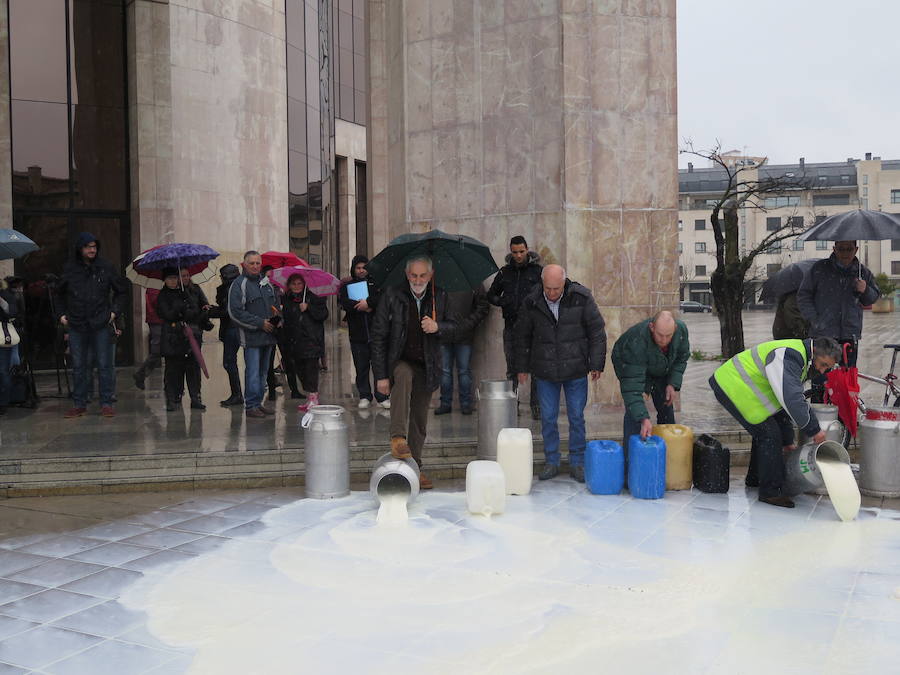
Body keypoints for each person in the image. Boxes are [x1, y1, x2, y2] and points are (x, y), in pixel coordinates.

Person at [710, 337, 840, 508]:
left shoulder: (801, 358)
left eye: (827, 368)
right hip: (732, 385)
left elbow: (782, 405)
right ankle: (771, 492)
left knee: (768, 432)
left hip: (741, 386)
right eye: (822, 364)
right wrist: (814, 430)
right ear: (814, 351)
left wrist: (787, 441)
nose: (822, 371)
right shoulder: (790, 355)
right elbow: (792, 399)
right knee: (769, 435)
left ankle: (756, 478)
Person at [514, 265, 606, 482]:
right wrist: (521, 367)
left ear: (564, 283)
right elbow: (522, 336)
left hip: (575, 368)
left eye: (556, 288)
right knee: (547, 418)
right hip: (545, 370)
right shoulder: (532, 301)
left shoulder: (581, 297)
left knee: (576, 416)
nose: (552, 293)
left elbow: (597, 331)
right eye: (548, 288)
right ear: (542, 283)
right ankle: (552, 461)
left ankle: (577, 462)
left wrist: (596, 363)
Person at [371, 256, 457, 490]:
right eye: (413, 275)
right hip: (399, 360)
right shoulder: (392, 295)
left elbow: (454, 328)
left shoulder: (439, 296)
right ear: (407, 274)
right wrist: (380, 375)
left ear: (430, 276)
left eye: (422, 276)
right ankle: (397, 437)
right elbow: (378, 336)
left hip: (427, 363)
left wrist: (438, 327)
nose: (417, 280)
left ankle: (414, 468)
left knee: (419, 419)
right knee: (404, 375)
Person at [55, 232, 128, 418]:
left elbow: (121, 291)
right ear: (80, 248)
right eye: (88, 246)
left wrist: (114, 313)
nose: (92, 250)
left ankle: (106, 402)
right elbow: (58, 293)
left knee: (104, 365)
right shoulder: (70, 269)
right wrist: (62, 315)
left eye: (94, 246)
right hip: (77, 323)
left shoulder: (106, 267)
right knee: (79, 365)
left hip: (101, 322)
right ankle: (79, 402)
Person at [611, 310, 690, 446]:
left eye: (668, 336)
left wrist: (672, 384)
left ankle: (667, 452)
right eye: (660, 335)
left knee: (666, 407)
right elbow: (632, 388)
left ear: (675, 329)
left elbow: (681, 359)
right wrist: (643, 418)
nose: (664, 341)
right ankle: (631, 457)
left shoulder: (681, 331)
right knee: (635, 412)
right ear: (652, 327)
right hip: (629, 364)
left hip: (660, 367)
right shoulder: (636, 341)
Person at [797, 240, 879, 367]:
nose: (845, 253)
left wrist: (865, 290)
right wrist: (814, 319)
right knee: (821, 380)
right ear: (834, 249)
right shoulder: (819, 269)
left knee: (846, 379)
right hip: (823, 336)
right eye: (841, 249)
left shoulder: (862, 272)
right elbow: (804, 295)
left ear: (856, 250)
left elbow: (872, 298)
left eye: (849, 249)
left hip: (850, 335)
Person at [487, 235, 543, 419]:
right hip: (511, 326)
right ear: (511, 252)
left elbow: (548, 295)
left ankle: (537, 405)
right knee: (512, 368)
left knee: (536, 367)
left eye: (521, 251)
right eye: (515, 252)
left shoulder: (537, 272)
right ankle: (513, 403)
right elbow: (491, 295)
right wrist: (503, 301)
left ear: (527, 250)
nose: (518, 255)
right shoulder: (505, 272)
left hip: (534, 328)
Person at [228, 251, 278, 419]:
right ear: (244, 264)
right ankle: (250, 405)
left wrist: (278, 319)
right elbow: (235, 312)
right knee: (253, 373)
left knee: (263, 373)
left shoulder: (267, 284)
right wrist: (259, 323)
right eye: (252, 263)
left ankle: (258, 403)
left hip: (268, 336)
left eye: (258, 263)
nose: (255, 266)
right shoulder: (239, 284)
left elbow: (275, 306)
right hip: (251, 338)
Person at [339, 254, 390, 409]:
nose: (361, 271)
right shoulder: (347, 286)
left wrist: (368, 303)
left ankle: (382, 396)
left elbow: (383, 299)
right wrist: (359, 305)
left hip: (376, 333)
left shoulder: (377, 283)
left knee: (379, 365)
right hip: (357, 333)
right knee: (361, 366)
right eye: (358, 268)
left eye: (364, 267)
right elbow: (344, 302)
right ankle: (364, 395)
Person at [156, 268, 210, 411]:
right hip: (172, 337)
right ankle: (173, 398)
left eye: (175, 278)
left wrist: (188, 311)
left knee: (192, 368)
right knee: (174, 370)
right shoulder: (162, 295)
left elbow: (194, 310)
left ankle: (195, 397)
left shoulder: (185, 292)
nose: (173, 281)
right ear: (165, 280)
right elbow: (166, 314)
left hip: (188, 336)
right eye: (170, 278)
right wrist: (178, 309)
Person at [435, 288, 489, 415]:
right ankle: (454, 403)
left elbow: (483, 307)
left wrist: (468, 323)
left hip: (460, 333)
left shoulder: (469, 283)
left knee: (457, 371)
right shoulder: (440, 282)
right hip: (447, 332)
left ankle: (458, 403)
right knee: (451, 371)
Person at [281, 273, 328, 412]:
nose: (296, 286)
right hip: (295, 341)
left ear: (304, 284)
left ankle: (314, 397)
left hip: (311, 339)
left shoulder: (314, 297)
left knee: (311, 369)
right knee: (300, 370)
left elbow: (323, 314)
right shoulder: (287, 299)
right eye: (293, 284)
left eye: (299, 283)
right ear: (289, 285)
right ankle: (309, 397)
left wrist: (309, 307)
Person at [208, 263, 244, 407]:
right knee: (230, 362)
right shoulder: (235, 287)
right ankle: (237, 394)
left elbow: (228, 311)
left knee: (229, 362)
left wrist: (210, 312)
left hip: (232, 329)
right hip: (233, 328)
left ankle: (237, 394)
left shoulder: (230, 289)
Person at [133, 288, 163, 390]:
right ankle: (141, 374)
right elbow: (156, 302)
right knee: (157, 351)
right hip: (157, 320)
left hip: (161, 320)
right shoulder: (154, 286)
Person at [0, 280, 19, 415]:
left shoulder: (6, 295)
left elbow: (12, 313)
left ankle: (3, 402)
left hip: (2, 337)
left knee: (3, 371)